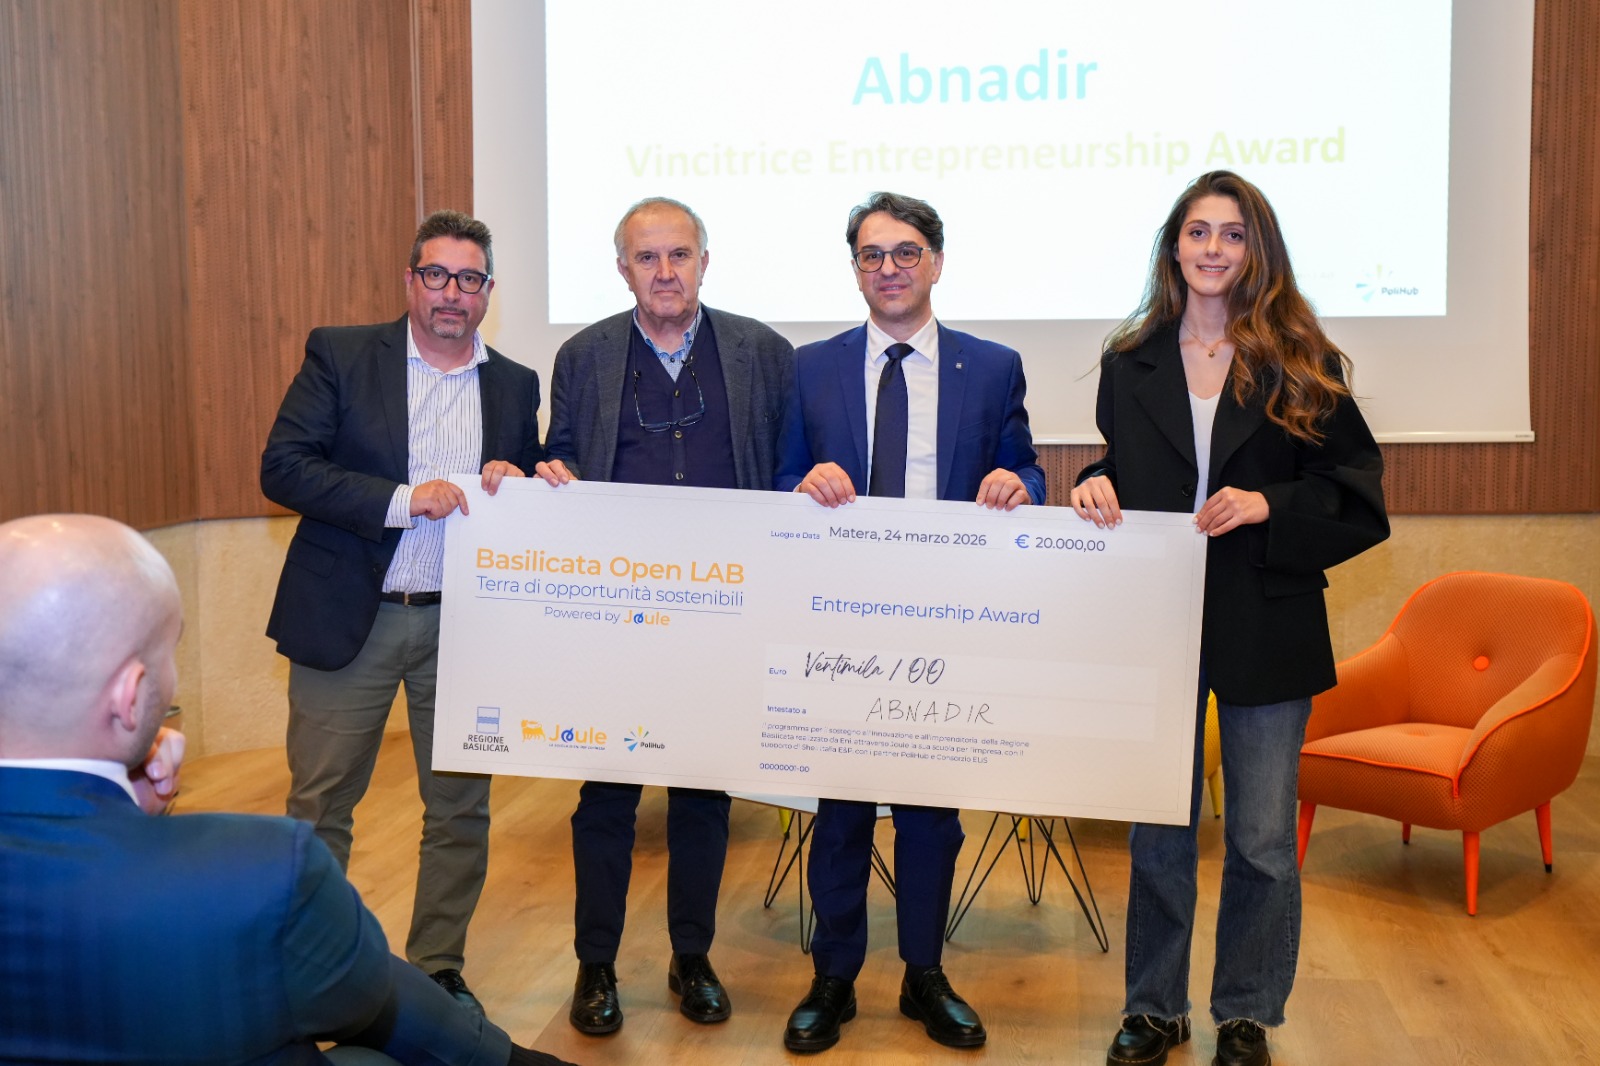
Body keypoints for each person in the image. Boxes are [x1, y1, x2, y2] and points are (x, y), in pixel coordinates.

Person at [0, 514, 575, 1066]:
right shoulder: (265, 869)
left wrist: (132, 811)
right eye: (170, 654)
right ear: (131, 697)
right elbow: (355, 1005)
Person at [1070, 171, 1389, 1066]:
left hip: (1268, 619)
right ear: (1174, 247)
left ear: (1258, 251)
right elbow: (1129, 465)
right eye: (1199, 232)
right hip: (1157, 625)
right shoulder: (1129, 360)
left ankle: (1247, 1013)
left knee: (1261, 840)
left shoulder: (1303, 362)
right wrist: (1095, 481)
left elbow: (1356, 498)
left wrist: (1267, 505)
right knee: (1158, 830)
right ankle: (1154, 1008)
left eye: (1234, 234)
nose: (1214, 249)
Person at [774, 191, 1045, 1053]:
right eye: (871, 254)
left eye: (904, 252)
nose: (887, 268)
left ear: (936, 262)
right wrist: (800, 484)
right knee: (842, 811)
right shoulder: (809, 368)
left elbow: (1028, 467)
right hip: (839, 621)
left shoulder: (992, 367)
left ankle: (924, 972)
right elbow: (777, 478)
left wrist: (1020, 486)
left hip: (947, 622)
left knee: (932, 815)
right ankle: (834, 977)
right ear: (855, 268)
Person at [261, 209, 543, 1013]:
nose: (453, 293)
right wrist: (402, 499)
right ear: (410, 280)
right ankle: (311, 972)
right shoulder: (344, 354)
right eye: (437, 275)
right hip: (352, 616)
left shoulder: (515, 383)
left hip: (465, 625)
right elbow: (284, 467)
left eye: (469, 279)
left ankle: (437, 971)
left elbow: (523, 483)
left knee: (459, 810)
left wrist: (523, 478)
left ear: (488, 291)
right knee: (321, 807)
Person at [535, 196, 794, 1035]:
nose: (665, 272)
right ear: (623, 270)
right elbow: (562, 456)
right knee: (606, 796)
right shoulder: (584, 355)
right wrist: (551, 474)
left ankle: (693, 956)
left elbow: (784, 470)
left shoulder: (764, 353)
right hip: (617, 617)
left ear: (704, 262)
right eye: (647, 258)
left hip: (725, 611)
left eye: (680, 255)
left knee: (703, 794)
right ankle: (596, 965)